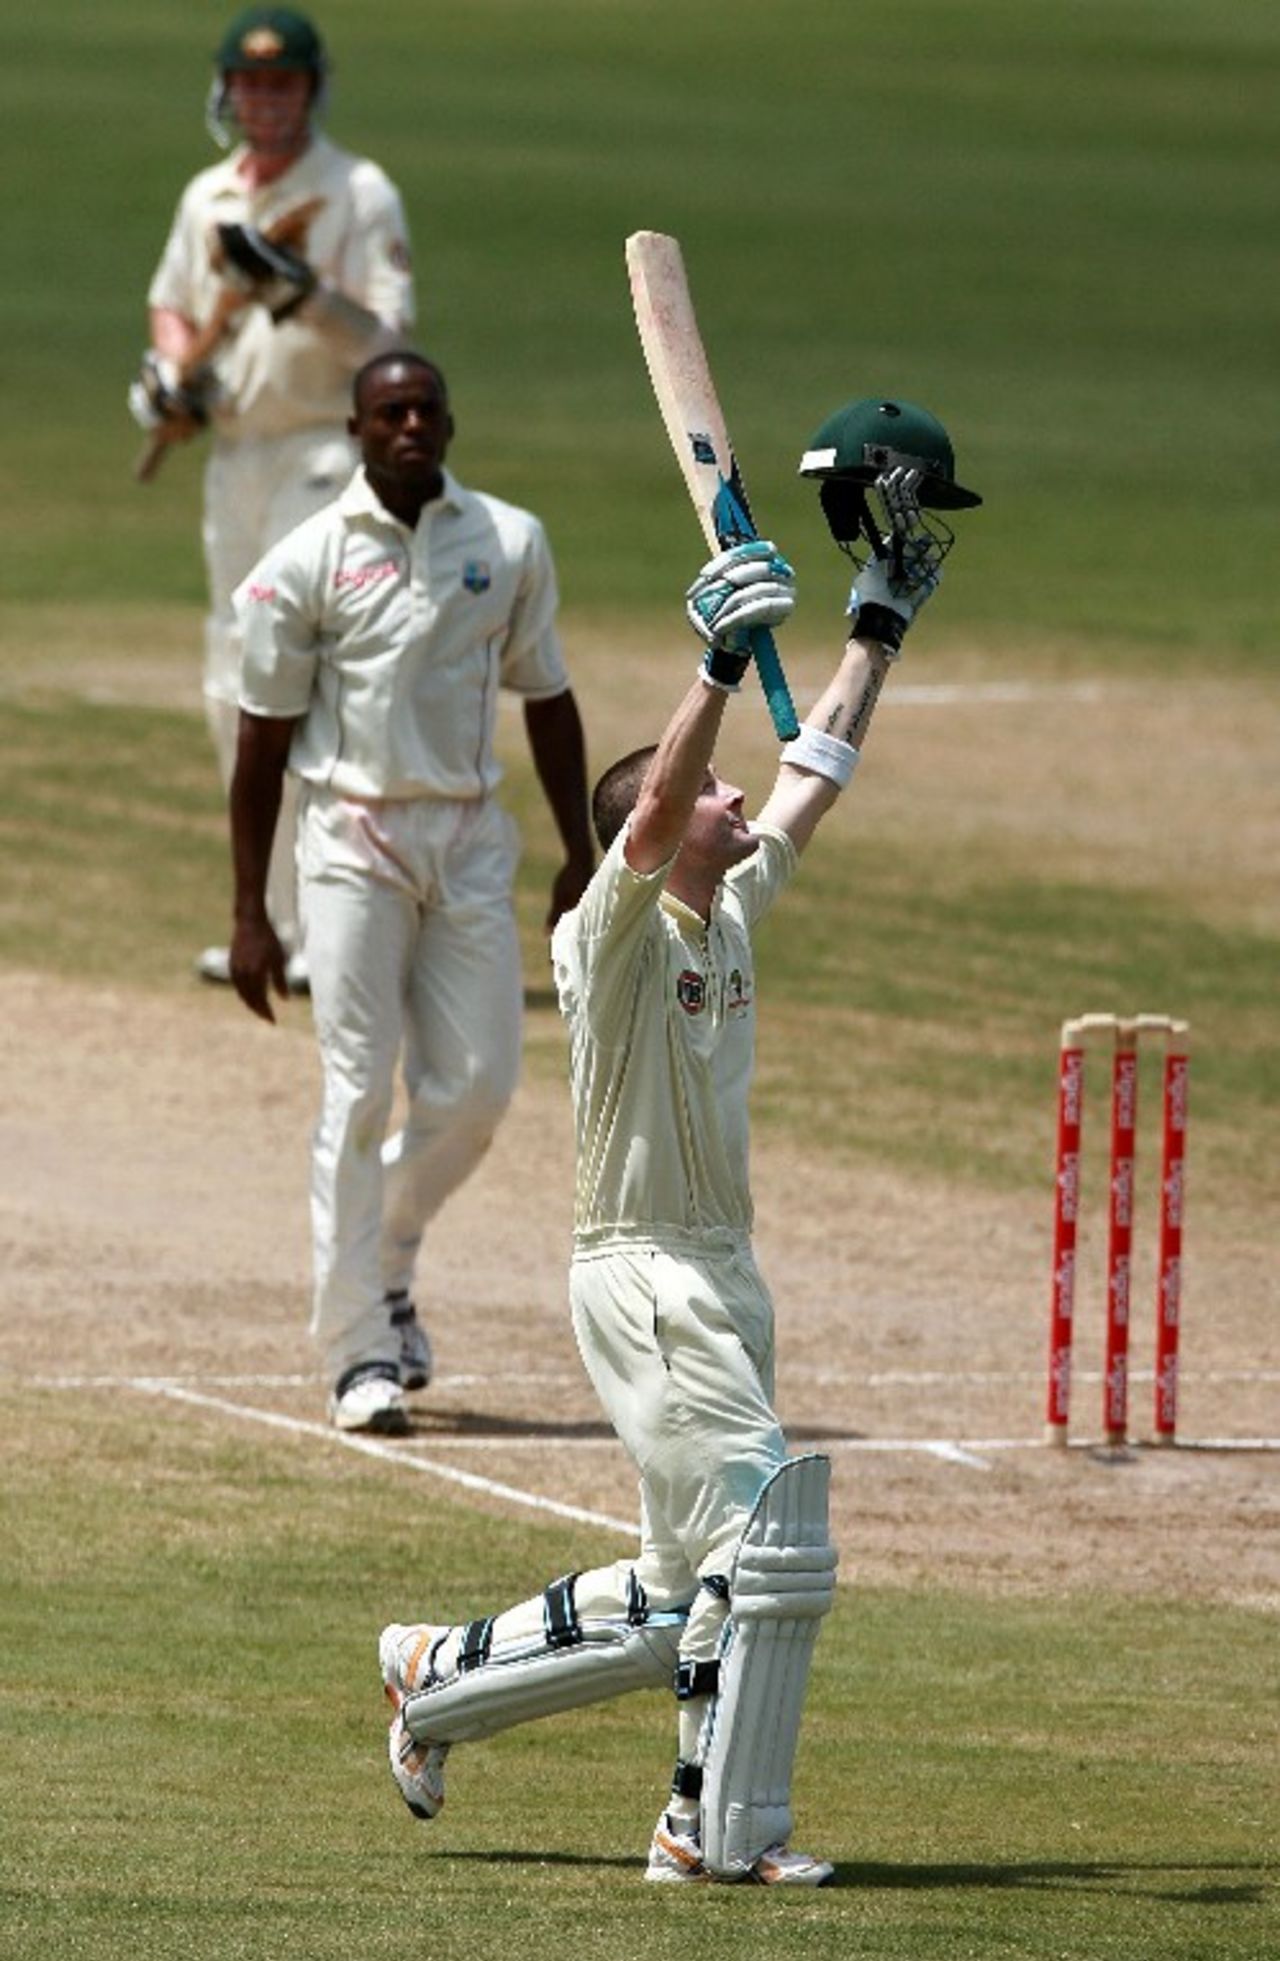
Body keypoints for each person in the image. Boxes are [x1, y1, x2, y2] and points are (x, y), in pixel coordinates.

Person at [374, 402, 981, 1885]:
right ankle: (708, 1835)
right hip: (640, 1273)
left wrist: (874, 631)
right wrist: (713, 662)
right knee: (770, 1538)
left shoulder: (731, 906)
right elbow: (653, 810)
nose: (735, 796)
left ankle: (434, 1678)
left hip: (723, 1268)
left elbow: (815, 769)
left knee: (672, 1597)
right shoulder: (612, 935)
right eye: (715, 791)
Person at [225, 350, 594, 1434]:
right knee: (357, 1088)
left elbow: (549, 696)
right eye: (389, 412)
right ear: (355, 429)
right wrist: (250, 913)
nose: (410, 425)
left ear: (449, 421)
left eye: (426, 408)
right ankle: (357, 1351)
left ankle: (385, 1252)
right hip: (349, 837)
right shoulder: (308, 558)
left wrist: (579, 851)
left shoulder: (508, 539)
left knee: (478, 1087)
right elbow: (260, 742)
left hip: (471, 833)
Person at [132, 6, 416, 989]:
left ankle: (332, 929)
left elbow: (392, 344)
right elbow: (173, 302)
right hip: (235, 460)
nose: (266, 102)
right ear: (227, 91)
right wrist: (172, 377)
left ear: (312, 89)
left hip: (324, 460)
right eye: (251, 86)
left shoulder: (355, 192)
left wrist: (301, 294)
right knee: (231, 686)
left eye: (283, 85)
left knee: (305, 683)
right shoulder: (207, 194)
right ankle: (270, 922)